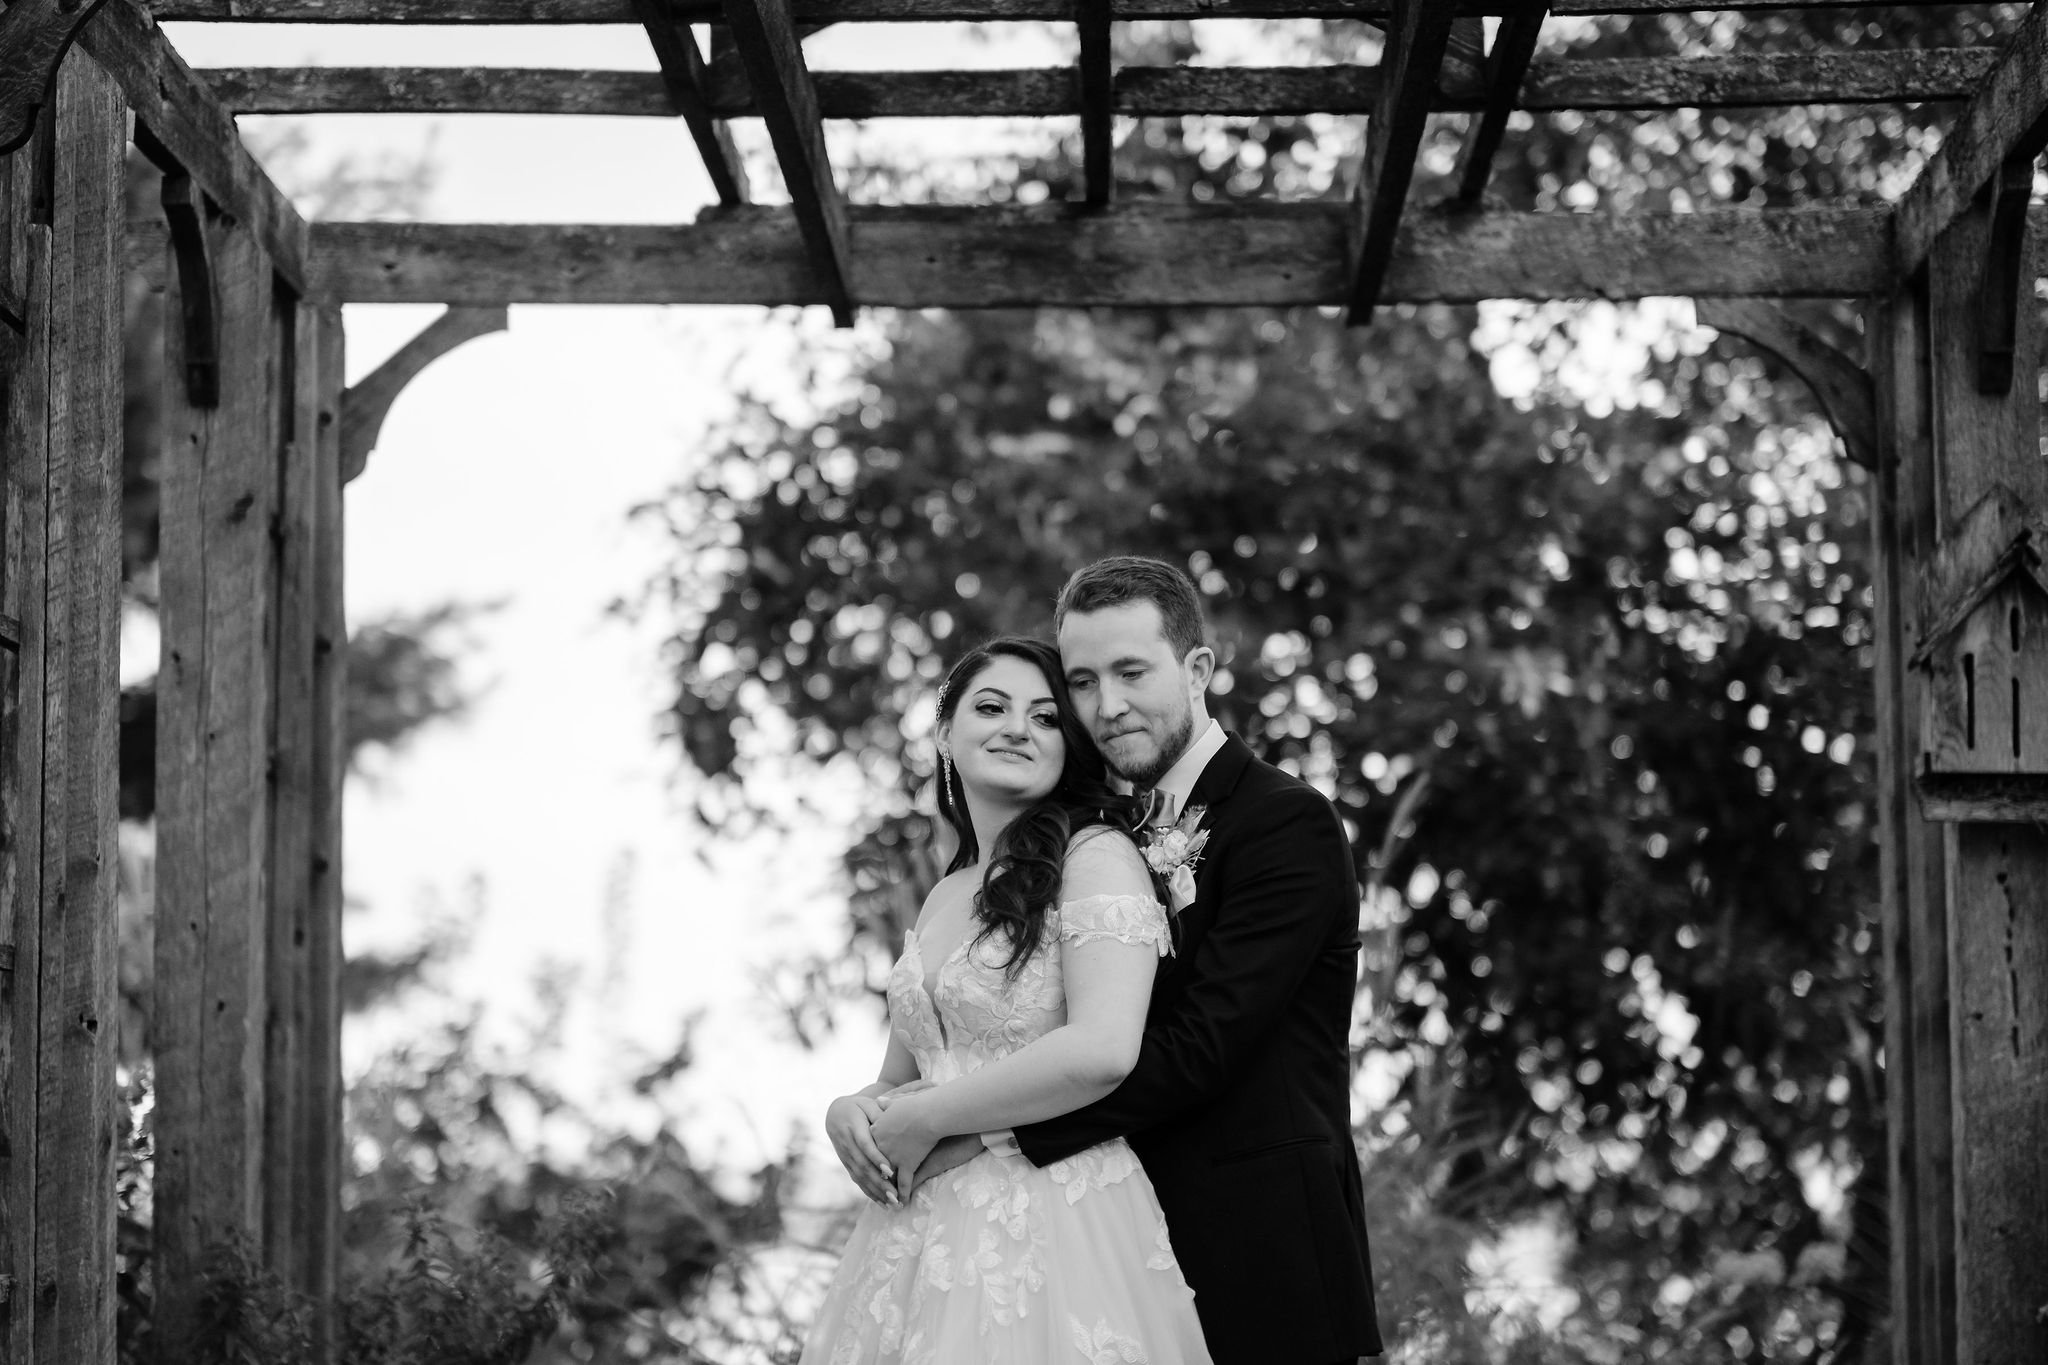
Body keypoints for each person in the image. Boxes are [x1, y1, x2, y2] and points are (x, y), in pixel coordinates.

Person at [892, 557, 1383, 1365]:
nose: (1105, 706)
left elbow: (1203, 1045)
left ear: (1196, 670)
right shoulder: (1087, 841)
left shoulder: (1284, 823)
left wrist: (978, 1132)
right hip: (1103, 1246)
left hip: (1260, 1255)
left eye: (1130, 672)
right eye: (1082, 681)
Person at [800, 635, 1215, 1365]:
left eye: (1047, 717)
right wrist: (851, 1112)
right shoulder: (944, 892)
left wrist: (924, 1119)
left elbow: (1103, 1048)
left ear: (1069, 747)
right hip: (912, 1237)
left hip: (1049, 1222)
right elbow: (905, 1073)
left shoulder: (1095, 857)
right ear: (944, 733)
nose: (1018, 727)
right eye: (991, 707)